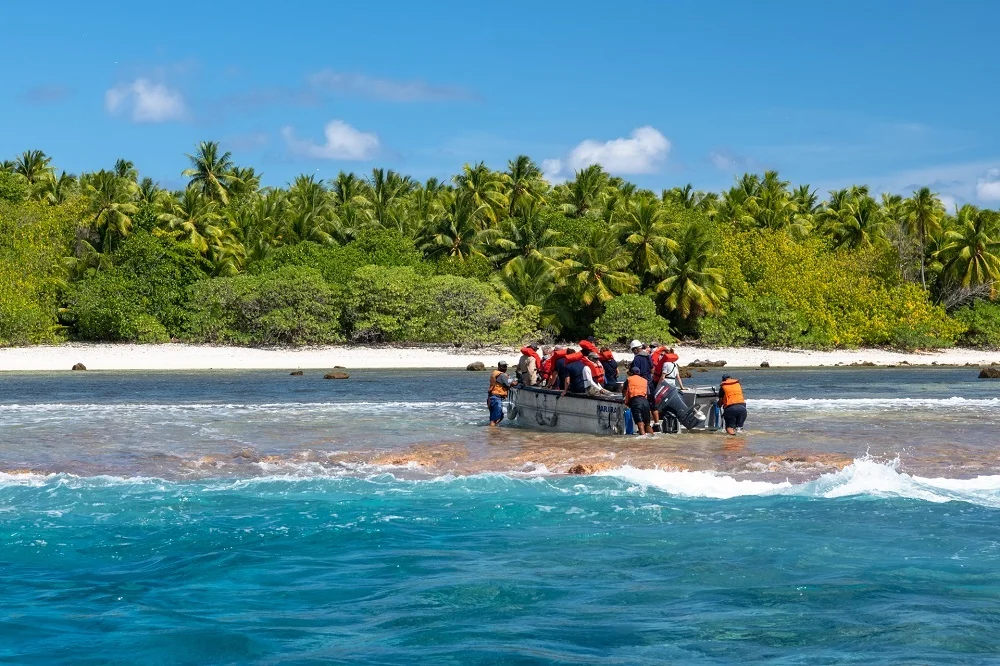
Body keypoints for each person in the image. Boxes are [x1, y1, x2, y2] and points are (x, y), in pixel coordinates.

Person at [622, 367, 652, 435]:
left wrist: (625, 399)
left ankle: (642, 442)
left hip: (636, 402)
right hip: (645, 402)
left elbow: (624, 391)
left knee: (640, 425)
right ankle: (652, 439)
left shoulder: (629, 379)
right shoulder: (644, 380)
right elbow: (648, 393)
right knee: (647, 424)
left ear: (631, 373)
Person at [487, 361, 514, 426]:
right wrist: (515, 383)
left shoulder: (495, 374)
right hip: (496, 398)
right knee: (495, 419)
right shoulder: (502, 375)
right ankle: (492, 431)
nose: (505, 368)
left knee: (500, 416)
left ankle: (493, 430)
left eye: (505, 366)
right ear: (499, 367)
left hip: (492, 397)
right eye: (503, 366)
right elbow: (508, 385)